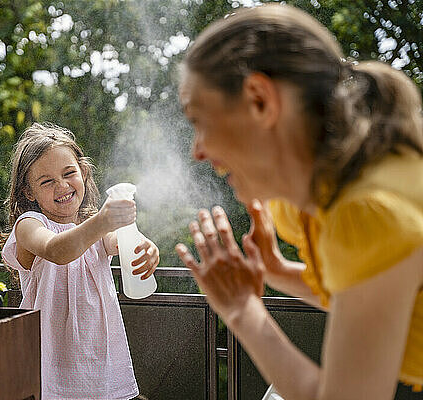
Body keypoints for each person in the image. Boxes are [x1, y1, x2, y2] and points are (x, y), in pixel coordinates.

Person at [174, 4, 423, 400]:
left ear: (259, 100)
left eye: (198, 121)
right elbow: (363, 296)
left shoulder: (369, 212)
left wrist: (242, 311)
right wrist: (278, 272)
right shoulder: (302, 206)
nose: (196, 151)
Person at [0, 122, 159, 400]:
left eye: (69, 173)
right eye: (46, 181)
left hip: (98, 364)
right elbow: (57, 251)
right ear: (28, 192)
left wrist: (146, 247)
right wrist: (102, 222)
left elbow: (119, 240)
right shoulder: (29, 225)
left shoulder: (94, 226)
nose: (61, 185)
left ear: (83, 173)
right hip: (47, 366)